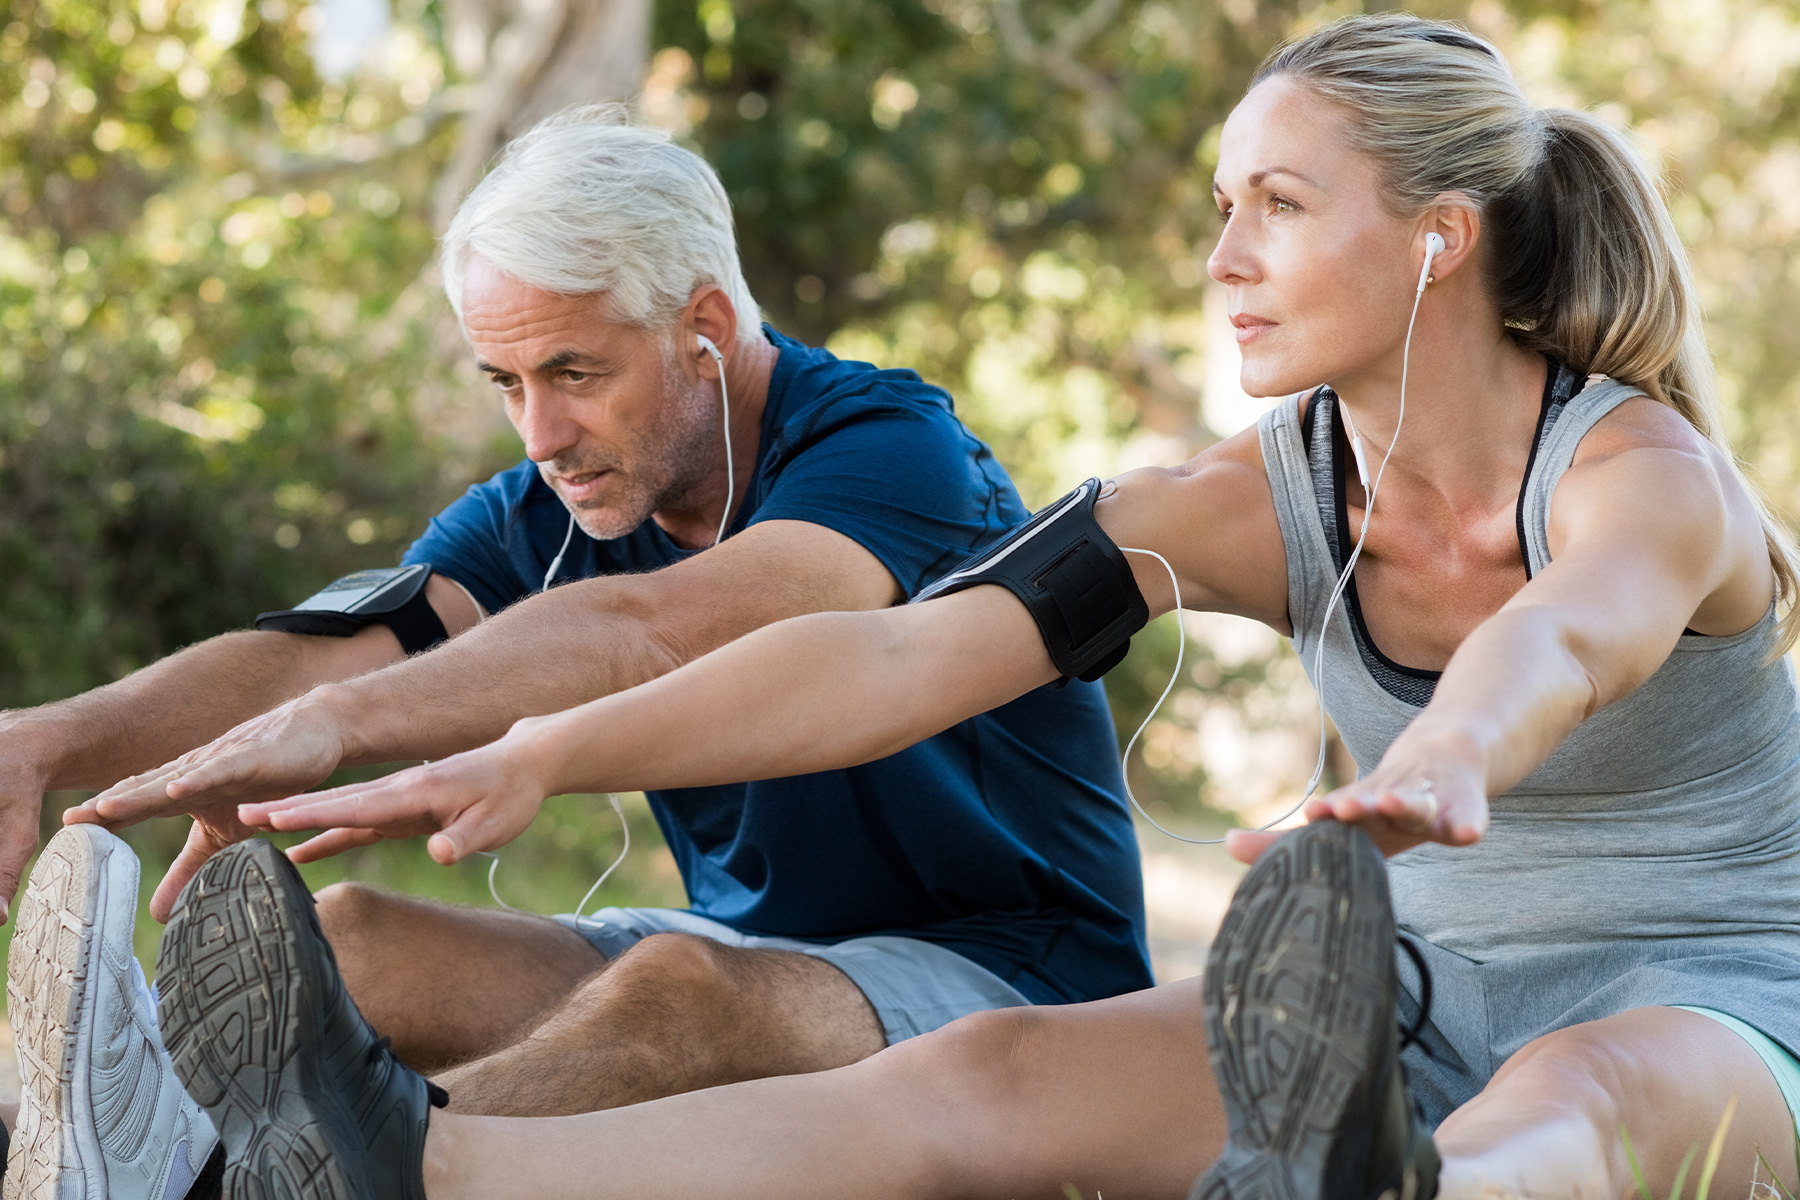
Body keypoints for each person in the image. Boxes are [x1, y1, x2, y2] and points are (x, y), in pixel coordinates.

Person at [149, 13, 1800, 1200]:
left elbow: (1563, 633)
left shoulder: (1642, 473)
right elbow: (895, 656)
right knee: (973, 1082)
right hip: (1410, 1002)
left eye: (1278, 207)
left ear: (1441, 242)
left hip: (1702, 991)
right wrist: (543, 748)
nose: (1223, 254)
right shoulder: (1238, 501)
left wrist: (1453, 751)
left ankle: (1404, 1189)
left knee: (1576, 1107)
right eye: (1222, 204)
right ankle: (417, 1165)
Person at [0, 108, 1151, 1193]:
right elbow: (316, 662)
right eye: (506, 383)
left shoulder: (893, 449)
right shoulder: (549, 507)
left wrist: (347, 729)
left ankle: (286, 1182)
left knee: (675, 995)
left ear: (704, 329)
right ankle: (79, 1143)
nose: (541, 435)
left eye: (574, 374)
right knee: (349, 940)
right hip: (762, 949)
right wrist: (47, 741)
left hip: (1019, 979)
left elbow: (649, 629)